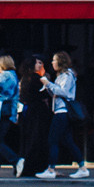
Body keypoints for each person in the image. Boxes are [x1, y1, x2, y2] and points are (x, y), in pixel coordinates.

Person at [39, 50, 86, 179]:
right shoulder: (61, 76)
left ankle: (51, 169)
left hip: (62, 111)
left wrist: (49, 84)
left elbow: (64, 92)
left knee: (52, 139)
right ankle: (82, 167)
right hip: (60, 110)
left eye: (54, 60)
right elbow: (56, 93)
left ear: (60, 62)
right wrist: (48, 86)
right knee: (67, 141)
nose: (52, 62)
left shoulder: (67, 75)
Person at [0, 54, 23, 178]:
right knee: (0, 139)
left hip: (1, 110)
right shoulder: (13, 76)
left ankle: (16, 160)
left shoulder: (6, 76)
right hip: (7, 111)